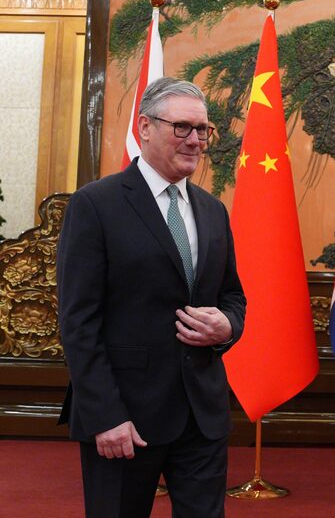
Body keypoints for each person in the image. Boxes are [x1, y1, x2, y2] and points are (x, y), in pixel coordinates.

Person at [57, 77, 246, 518]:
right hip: (125, 417)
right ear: (144, 127)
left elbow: (232, 295)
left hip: (202, 414)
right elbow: (77, 322)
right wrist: (105, 414)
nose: (196, 140)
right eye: (182, 127)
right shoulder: (95, 205)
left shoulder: (212, 209)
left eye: (203, 130)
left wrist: (228, 327)